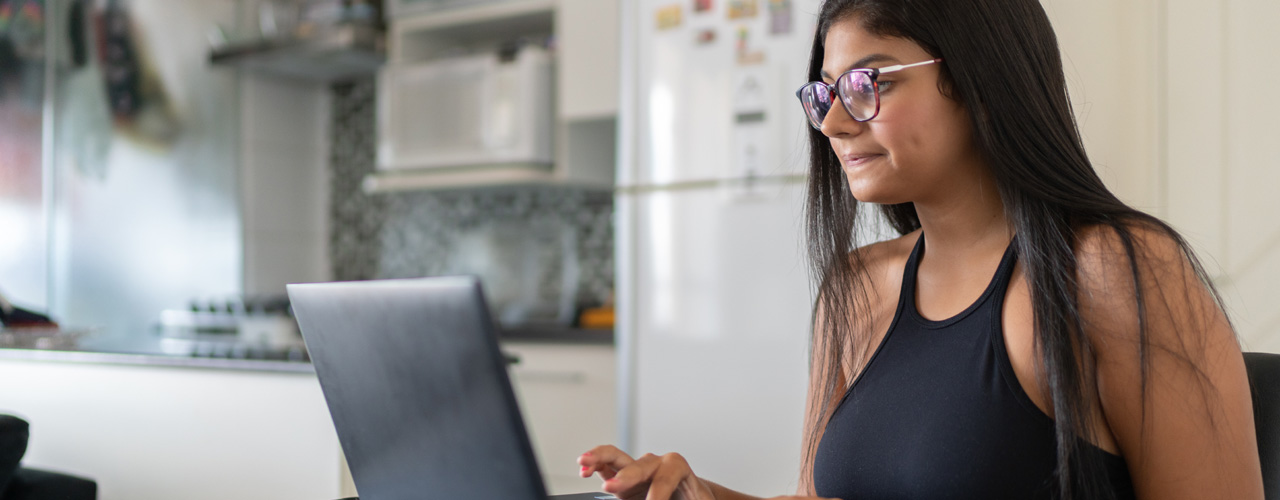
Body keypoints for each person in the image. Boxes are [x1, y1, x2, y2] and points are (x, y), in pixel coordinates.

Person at [577, 0, 1266, 498]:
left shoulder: (1118, 273)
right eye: (824, 93)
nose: (835, 123)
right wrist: (697, 494)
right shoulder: (855, 290)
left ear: (979, 79)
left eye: (868, 83)